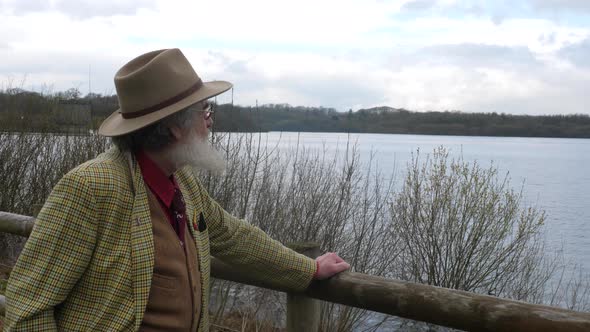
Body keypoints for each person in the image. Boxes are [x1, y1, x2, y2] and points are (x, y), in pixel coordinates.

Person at [4, 48, 350, 331]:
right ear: (173, 129)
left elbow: (234, 236)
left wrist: (308, 270)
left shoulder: (182, 182)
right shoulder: (90, 188)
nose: (210, 120)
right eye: (204, 110)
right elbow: (26, 309)